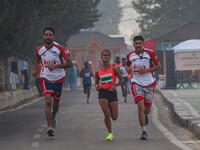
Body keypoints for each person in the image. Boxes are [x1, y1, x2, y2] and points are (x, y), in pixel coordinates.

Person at [32, 27, 73, 137]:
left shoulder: (60, 49)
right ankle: (50, 126)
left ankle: (53, 115)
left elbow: (70, 64)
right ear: (43, 36)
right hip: (45, 77)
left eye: (50, 35)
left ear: (53, 36)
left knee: (55, 104)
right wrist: (36, 70)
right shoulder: (39, 49)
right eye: (46, 35)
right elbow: (37, 60)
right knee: (48, 100)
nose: (48, 37)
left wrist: (56, 66)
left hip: (59, 78)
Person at [126, 35, 161, 140]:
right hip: (136, 83)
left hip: (149, 83)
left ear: (143, 44)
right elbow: (127, 65)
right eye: (136, 44)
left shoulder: (150, 53)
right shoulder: (130, 55)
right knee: (140, 106)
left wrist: (146, 71)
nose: (138, 45)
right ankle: (144, 131)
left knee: (146, 110)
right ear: (133, 45)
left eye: (140, 43)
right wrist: (128, 69)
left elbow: (158, 66)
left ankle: (145, 115)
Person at [95, 50, 123, 141]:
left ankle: (110, 109)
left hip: (112, 93)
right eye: (104, 55)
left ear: (110, 57)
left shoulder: (114, 68)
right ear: (101, 57)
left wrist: (115, 85)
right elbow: (96, 83)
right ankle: (110, 133)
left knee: (114, 117)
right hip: (103, 93)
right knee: (106, 114)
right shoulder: (98, 71)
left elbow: (122, 80)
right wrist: (97, 86)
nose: (105, 57)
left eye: (107, 55)